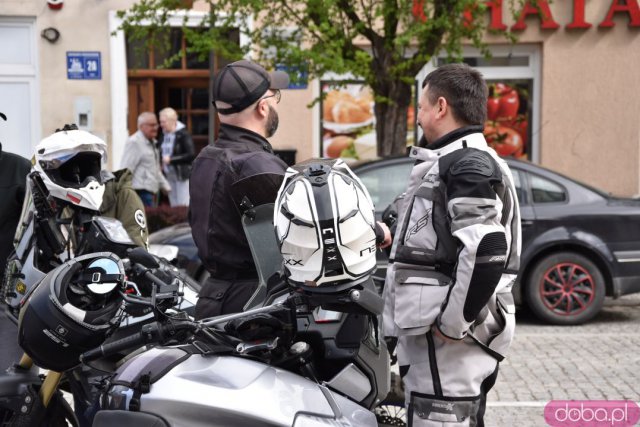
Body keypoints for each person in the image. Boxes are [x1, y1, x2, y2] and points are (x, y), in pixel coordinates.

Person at [382, 63, 522, 427]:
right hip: (443, 349)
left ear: (441, 107)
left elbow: (487, 248)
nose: (418, 118)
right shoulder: (453, 161)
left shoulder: (466, 164)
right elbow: (442, 239)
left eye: (423, 107)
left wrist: (452, 323)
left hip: (449, 348)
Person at [189, 60, 291, 320]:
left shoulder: (206, 157)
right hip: (254, 305)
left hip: (215, 295)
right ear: (263, 106)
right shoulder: (255, 163)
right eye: (275, 96)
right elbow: (302, 224)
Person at [120, 112, 171, 207]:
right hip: (140, 193)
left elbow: (155, 168)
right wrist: (123, 194)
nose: (156, 127)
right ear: (141, 126)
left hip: (151, 192)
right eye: (152, 125)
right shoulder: (134, 142)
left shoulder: (152, 142)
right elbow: (126, 169)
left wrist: (165, 186)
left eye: (156, 124)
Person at [158, 107, 195, 206]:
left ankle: (184, 221)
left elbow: (190, 154)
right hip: (168, 174)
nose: (161, 125)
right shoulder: (163, 135)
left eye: (163, 122)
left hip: (181, 174)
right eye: (160, 122)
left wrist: (171, 160)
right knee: (173, 202)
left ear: (172, 121)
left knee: (183, 203)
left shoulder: (183, 134)